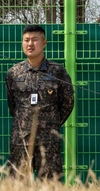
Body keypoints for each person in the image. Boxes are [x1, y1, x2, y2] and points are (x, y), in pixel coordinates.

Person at [5, 25, 75, 180]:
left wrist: (51, 123)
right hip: (21, 139)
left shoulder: (58, 71)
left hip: (48, 140)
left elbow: (67, 102)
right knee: (18, 186)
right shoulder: (13, 73)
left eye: (35, 40)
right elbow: (12, 105)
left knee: (50, 187)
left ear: (44, 43)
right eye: (26, 40)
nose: (30, 44)